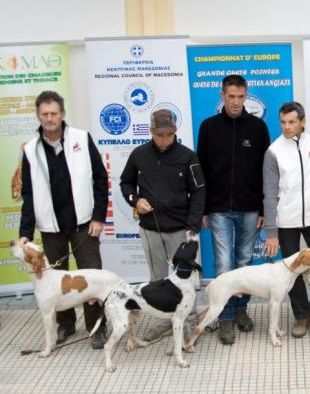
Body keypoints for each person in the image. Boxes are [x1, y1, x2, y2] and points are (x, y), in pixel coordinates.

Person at [19, 90, 108, 349]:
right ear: (38, 116)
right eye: (45, 114)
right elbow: (28, 194)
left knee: (92, 278)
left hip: (84, 225)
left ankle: (97, 328)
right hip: (50, 227)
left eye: (54, 113)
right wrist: (26, 232)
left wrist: (98, 216)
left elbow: (101, 179)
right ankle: (66, 325)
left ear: (62, 114)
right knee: (55, 281)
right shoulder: (30, 150)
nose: (49, 118)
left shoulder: (81, 138)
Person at [196, 75, 271, 345]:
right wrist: (202, 208)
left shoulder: (258, 127)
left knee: (244, 263)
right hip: (217, 209)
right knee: (224, 265)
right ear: (222, 96)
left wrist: (264, 208)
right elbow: (201, 171)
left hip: (250, 208)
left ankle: (241, 311)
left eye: (241, 96)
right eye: (231, 96)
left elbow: (266, 172)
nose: (236, 102)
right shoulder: (208, 127)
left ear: (246, 95)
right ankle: (225, 316)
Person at [120, 108, 205, 341]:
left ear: (175, 131)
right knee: (157, 279)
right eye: (160, 135)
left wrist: (192, 225)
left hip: (180, 229)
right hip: (150, 229)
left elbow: (198, 192)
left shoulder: (188, 156)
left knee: (186, 280)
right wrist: (135, 200)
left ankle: (188, 323)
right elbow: (125, 183)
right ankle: (162, 321)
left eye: (169, 134)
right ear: (151, 131)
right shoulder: (139, 154)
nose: (165, 139)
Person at [263, 101, 310, 338]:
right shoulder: (273, 151)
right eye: (283, 122)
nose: (287, 127)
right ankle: (301, 316)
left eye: (292, 122)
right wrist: (272, 232)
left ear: (303, 122)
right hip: (286, 222)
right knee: (292, 271)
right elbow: (269, 192)